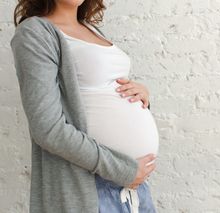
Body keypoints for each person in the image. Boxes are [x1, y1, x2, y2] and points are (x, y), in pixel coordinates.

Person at [11, 0, 159, 212]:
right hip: (91, 188)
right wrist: (123, 170)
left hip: (133, 188)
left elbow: (99, 94)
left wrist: (141, 97)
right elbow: (47, 129)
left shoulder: (91, 29)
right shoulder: (35, 32)